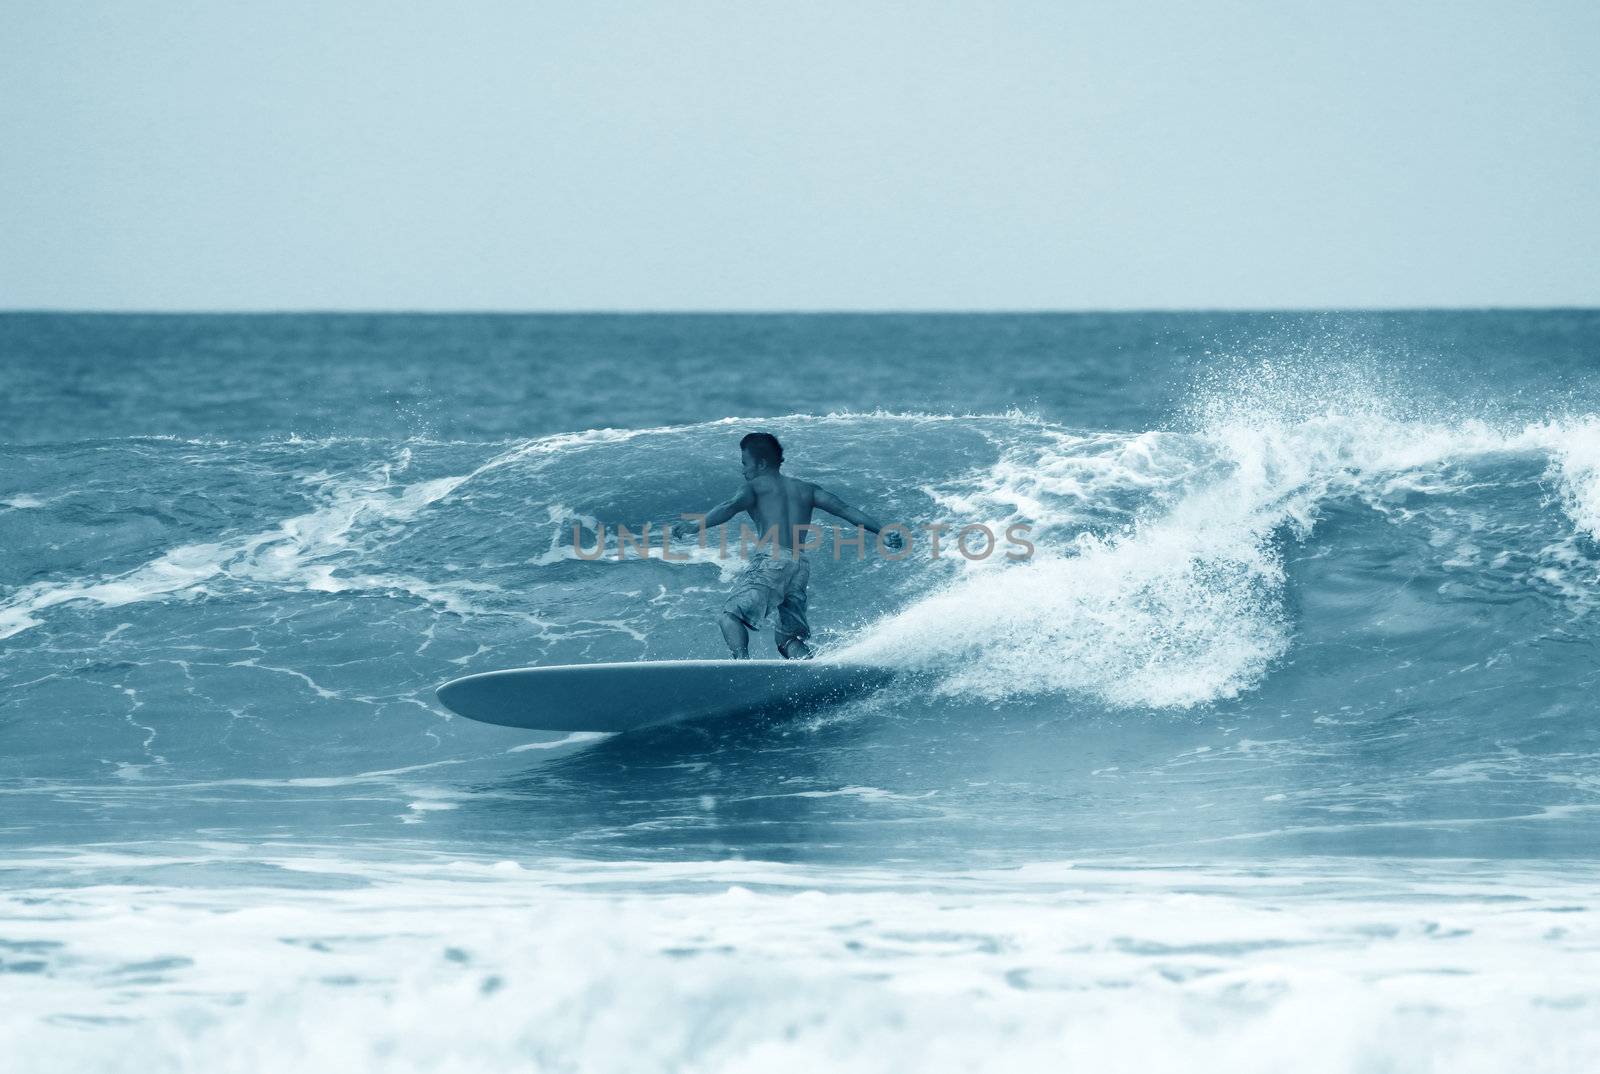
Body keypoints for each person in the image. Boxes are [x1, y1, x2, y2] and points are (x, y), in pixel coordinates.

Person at [673, 432, 901, 659]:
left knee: (729, 617)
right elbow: (845, 509)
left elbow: (729, 507)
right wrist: (882, 531)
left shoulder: (755, 487)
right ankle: (810, 673)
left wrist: (695, 526)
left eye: (745, 463)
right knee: (788, 639)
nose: (743, 470)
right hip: (799, 566)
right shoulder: (806, 489)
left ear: (761, 463)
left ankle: (742, 667)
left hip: (772, 560)